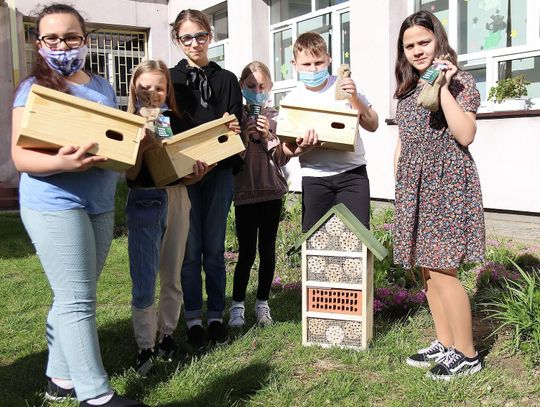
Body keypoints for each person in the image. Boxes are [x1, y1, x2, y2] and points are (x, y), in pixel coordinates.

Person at [11, 4, 146, 406]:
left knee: (74, 292)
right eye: (52, 38)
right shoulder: (33, 90)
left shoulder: (103, 88)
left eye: (71, 37)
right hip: (53, 201)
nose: (62, 45)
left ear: (85, 40)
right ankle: (95, 394)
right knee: (77, 299)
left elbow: (116, 142)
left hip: (100, 202)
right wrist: (62, 162)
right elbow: (21, 158)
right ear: (40, 43)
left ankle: (60, 378)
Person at [392, 10, 485, 380]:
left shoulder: (459, 81)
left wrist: (444, 87)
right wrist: (398, 181)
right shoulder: (408, 88)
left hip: (446, 183)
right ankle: (446, 341)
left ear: (439, 40)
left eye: (424, 42)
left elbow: (465, 134)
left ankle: (468, 353)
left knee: (444, 269)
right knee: (427, 269)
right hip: (414, 186)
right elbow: (403, 140)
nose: (417, 50)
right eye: (409, 45)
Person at [124, 60, 211, 376]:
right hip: (144, 199)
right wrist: (141, 146)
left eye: (159, 87)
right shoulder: (128, 122)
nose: (152, 92)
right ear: (135, 87)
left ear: (167, 90)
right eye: (145, 86)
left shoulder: (177, 120)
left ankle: (166, 336)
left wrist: (200, 172)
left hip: (177, 198)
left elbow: (184, 175)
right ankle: (145, 345)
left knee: (173, 273)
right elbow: (131, 175)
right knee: (144, 278)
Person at [169, 9, 242, 350]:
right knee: (189, 249)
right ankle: (193, 318)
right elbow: (168, 130)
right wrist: (187, 169)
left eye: (201, 35)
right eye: (187, 37)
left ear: (210, 36)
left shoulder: (227, 79)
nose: (195, 43)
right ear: (178, 40)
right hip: (182, 176)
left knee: (213, 249)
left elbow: (232, 130)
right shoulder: (171, 79)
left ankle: (216, 315)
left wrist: (209, 165)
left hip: (218, 174)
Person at [229, 62, 317, 329]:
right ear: (242, 87)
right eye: (251, 86)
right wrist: (244, 136)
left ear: (269, 89)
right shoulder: (234, 119)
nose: (257, 91)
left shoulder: (276, 117)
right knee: (245, 252)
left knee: (267, 251)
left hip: (271, 192)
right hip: (245, 193)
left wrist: (269, 135)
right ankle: (237, 306)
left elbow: (281, 158)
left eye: (262, 86)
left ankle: (262, 304)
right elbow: (231, 159)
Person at [280, 32, 379, 232]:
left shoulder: (343, 86)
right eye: (307, 65)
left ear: (329, 59)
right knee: (315, 239)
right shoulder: (292, 99)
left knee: (357, 238)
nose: (313, 69)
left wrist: (354, 98)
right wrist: (302, 147)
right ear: (295, 64)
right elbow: (286, 150)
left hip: (352, 175)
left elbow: (373, 124)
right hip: (314, 178)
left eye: (319, 62)